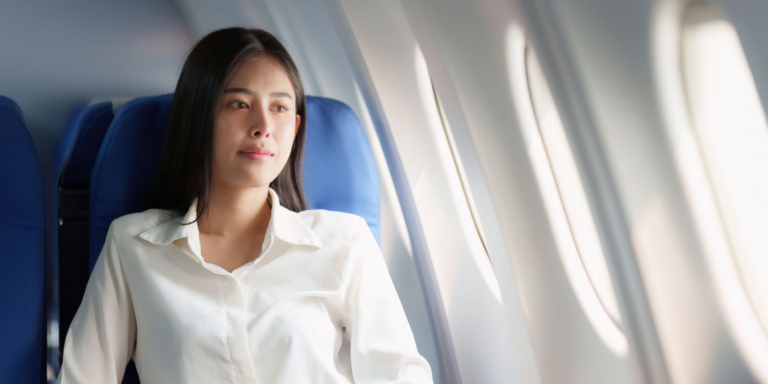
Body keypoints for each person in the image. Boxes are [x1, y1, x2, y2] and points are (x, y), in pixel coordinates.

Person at [57, 27, 433, 383]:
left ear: (296, 127)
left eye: (280, 108)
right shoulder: (134, 246)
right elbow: (85, 376)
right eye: (239, 104)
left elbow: (399, 374)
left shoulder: (344, 241)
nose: (263, 126)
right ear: (199, 118)